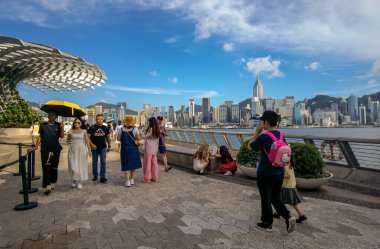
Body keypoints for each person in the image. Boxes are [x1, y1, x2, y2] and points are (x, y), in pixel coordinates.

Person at [248, 110, 296, 233]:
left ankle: (267, 223)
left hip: (265, 173)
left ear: (267, 122)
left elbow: (250, 146)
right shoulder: (280, 135)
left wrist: (256, 133)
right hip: (279, 172)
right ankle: (289, 216)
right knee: (275, 197)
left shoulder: (264, 136)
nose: (261, 123)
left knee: (266, 198)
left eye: (262, 121)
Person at [33, 112, 64, 195]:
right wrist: (36, 146)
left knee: (54, 167)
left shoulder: (59, 125)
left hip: (56, 149)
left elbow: (62, 136)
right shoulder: (43, 125)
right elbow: (40, 137)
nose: (51, 116)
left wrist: (62, 128)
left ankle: (53, 182)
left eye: (53, 115)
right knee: (46, 166)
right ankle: (47, 186)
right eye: (50, 114)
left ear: (56, 116)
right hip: (45, 149)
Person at [67, 117, 91, 189]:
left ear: (81, 124)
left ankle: (80, 181)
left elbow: (87, 141)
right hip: (72, 149)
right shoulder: (70, 131)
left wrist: (89, 150)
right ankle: (74, 180)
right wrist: (69, 142)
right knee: (72, 165)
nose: (76, 124)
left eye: (78, 123)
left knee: (80, 165)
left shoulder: (84, 131)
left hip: (81, 149)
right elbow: (67, 141)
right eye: (75, 122)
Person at [118, 116, 142, 187]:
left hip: (124, 149)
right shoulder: (135, 129)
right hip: (133, 149)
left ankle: (127, 181)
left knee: (126, 165)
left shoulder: (121, 129)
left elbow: (118, 139)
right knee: (133, 164)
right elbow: (138, 138)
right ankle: (132, 179)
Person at [87, 114, 111, 183]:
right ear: (95, 119)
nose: (99, 120)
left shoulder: (105, 128)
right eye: (97, 119)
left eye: (100, 119)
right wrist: (91, 145)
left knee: (103, 162)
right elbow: (87, 138)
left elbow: (108, 137)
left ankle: (102, 176)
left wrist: (109, 146)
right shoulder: (92, 127)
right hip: (94, 148)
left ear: (102, 120)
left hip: (103, 148)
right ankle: (95, 175)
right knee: (94, 163)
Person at [142, 117, 160, 183]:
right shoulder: (157, 129)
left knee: (147, 163)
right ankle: (155, 177)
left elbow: (145, 136)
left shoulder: (151, 129)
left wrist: (141, 133)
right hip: (154, 149)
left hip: (148, 148)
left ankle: (147, 178)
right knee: (154, 164)